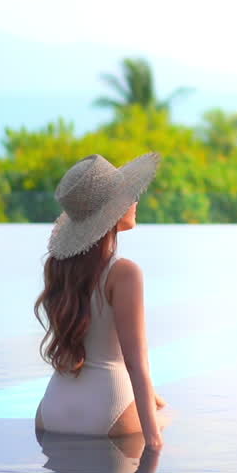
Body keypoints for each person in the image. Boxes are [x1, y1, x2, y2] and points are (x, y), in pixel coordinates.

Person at [33, 152, 168, 452]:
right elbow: (136, 363)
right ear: (112, 212)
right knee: (172, 418)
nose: (135, 200)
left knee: (157, 403)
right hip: (108, 411)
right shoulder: (125, 273)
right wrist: (155, 442)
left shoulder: (57, 268)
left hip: (52, 411)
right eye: (127, 195)